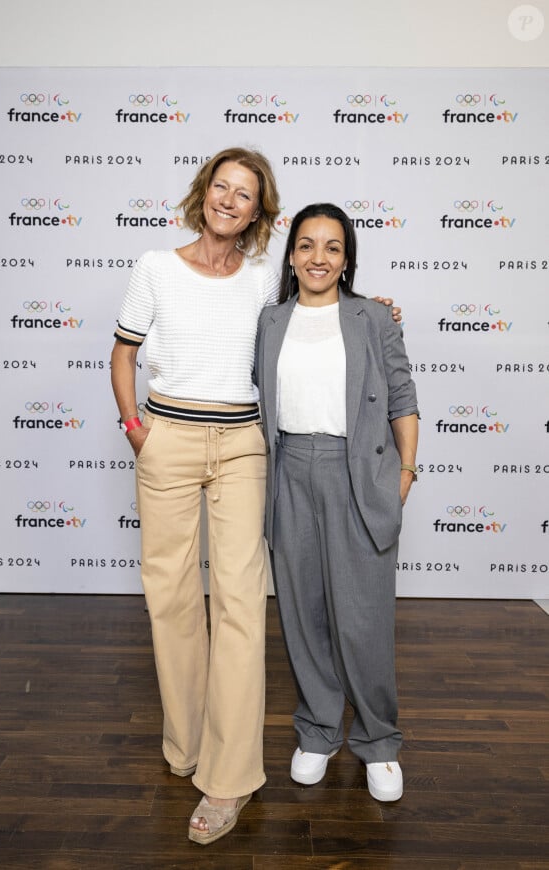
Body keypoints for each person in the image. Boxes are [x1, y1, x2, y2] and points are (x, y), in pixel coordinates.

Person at [111, 151, 401, 845]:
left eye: (246, 196)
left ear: (258, 212)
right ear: (203, 193)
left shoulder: (264, 281)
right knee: (173, 600)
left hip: (243, 449)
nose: (230, 202)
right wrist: (137, 432)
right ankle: (187, 744)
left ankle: (230, 778)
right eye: (222, 187)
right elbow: (122, 353)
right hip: (168, 439)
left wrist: (379, 311)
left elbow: (323, 308)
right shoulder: (154, 266)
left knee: (241, 604)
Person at [254, 202, 419, 803]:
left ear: (346, 259)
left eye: (331, 247)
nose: (317, 257)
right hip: (289, 471)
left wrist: (403, 474)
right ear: (291, 255)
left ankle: (379, 741)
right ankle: (318, 731)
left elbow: (402, 394)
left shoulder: (373, 317)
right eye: (305, 245)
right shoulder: (269, 321)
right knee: (303, 612)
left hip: (359, 472)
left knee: (364, 618)